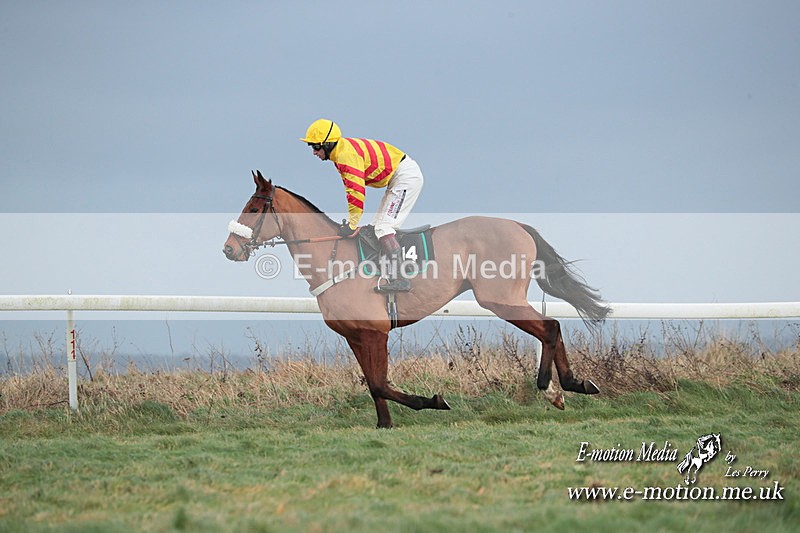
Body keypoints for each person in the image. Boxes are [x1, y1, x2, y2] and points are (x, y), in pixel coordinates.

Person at [301, 118, 424, 292]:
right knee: (375, 229)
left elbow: (356, 193)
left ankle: (401, 279)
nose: (314, 152)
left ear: (328, 144)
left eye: (315, 147)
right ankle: (383, 271)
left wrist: (352, 225)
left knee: (383, 229)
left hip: (405, 177)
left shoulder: (345, 156)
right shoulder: (340, 154)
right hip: (396, 178)